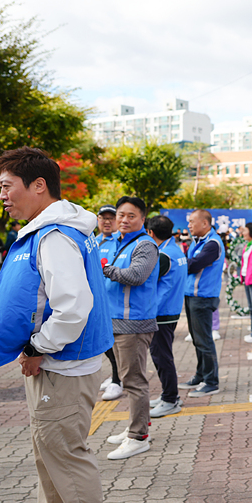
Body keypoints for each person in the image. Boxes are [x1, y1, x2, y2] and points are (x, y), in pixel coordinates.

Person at [0, 147, 118, 503]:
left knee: (65, 453)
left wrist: (39, 347)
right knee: (49, 452)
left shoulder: (56, 236)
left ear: (38, 186)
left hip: (63, 364)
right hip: (57, 363)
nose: (2, 194)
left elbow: (72, 307)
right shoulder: (51, 231)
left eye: (7, 185)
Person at [101, 196, 159, 460]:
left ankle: (138, 438)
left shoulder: (145, 245)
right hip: (118, 321)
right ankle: (135, 428)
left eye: (130, 216)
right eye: (120, 215)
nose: (123, 220)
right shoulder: (118, 243)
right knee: (128, 379)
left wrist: (107, 270)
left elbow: (137, 276)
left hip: (134, 324)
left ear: (142, 219)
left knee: (134, 382)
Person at [146, 215, 187, 418]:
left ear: (151, 233)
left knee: (162, 357)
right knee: (164, 356)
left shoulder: (163, 255)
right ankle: (168, 395)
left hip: (161, 312)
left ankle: (171, 399)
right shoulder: (175, 250)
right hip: (170, 309)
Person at [181, 209, 224, 397]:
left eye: (192, 221)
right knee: (197, 339)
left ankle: (211, 381)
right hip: (192, 295)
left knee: (204, 340)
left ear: (205, 224)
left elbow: (192, 265)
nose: (188, 225)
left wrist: (184, 263)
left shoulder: (212, 243)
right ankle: (200, 375)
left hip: (203, 297)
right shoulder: (199, 242)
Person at [95, 204, 122, 396]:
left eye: (110, 218)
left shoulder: (119, 242)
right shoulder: (93, 241)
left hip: (113, 302)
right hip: (95, 301)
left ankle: (117, 379)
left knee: (116, 343)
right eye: (103, 218)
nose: (106, 221)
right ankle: (115, 374)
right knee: (104, 341)